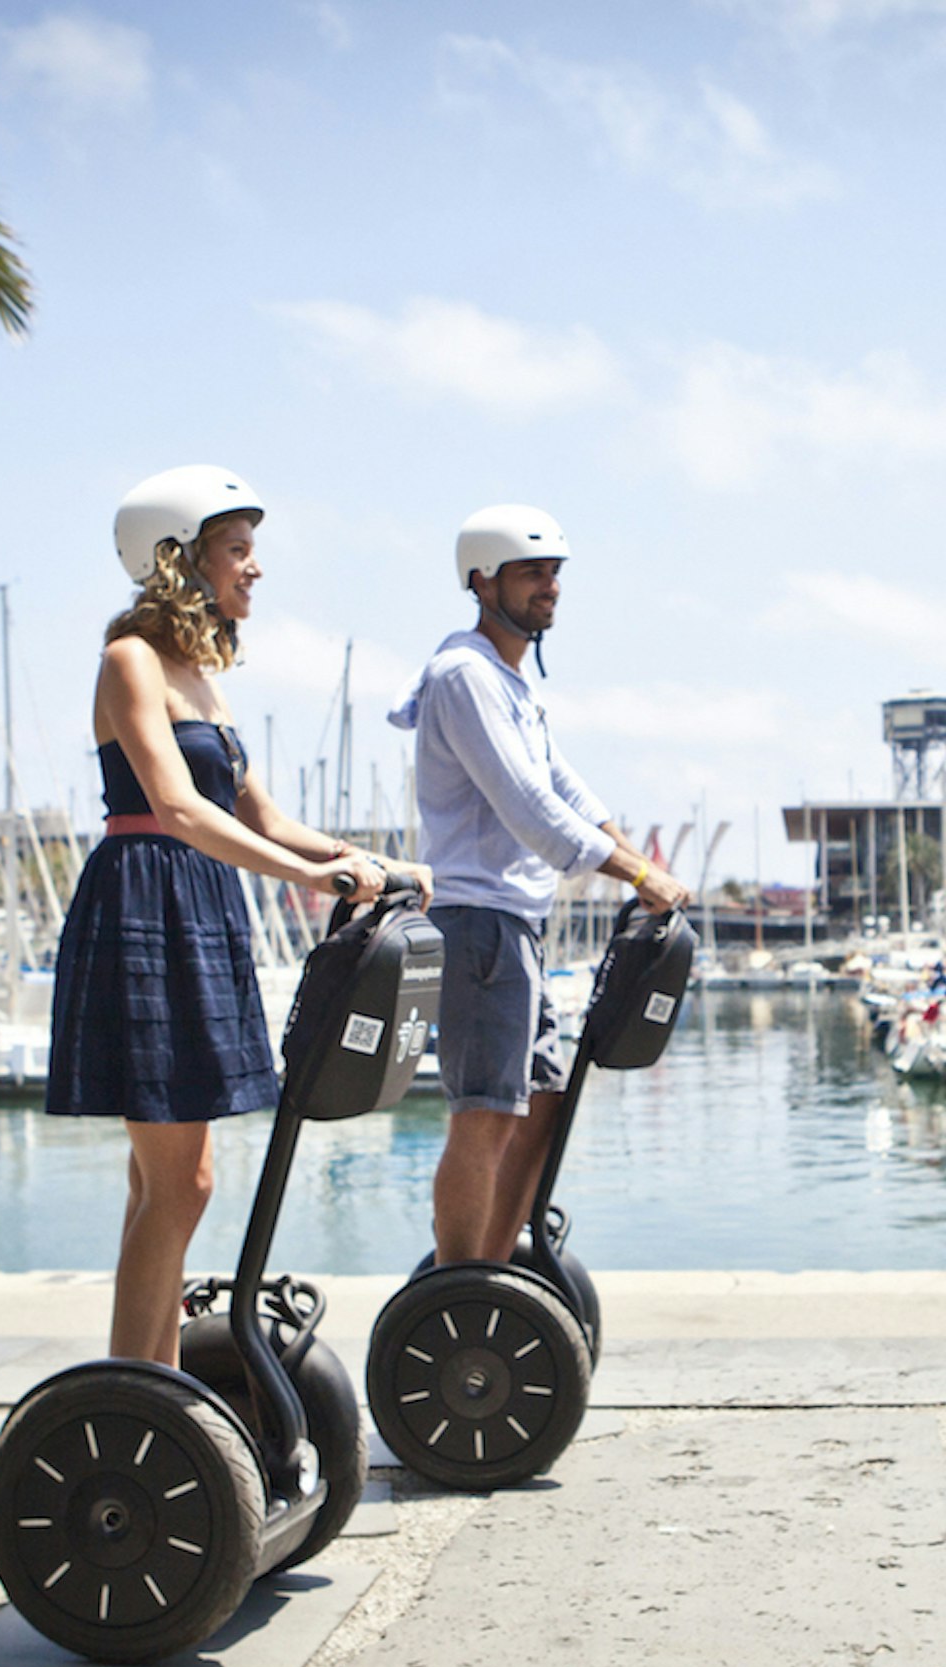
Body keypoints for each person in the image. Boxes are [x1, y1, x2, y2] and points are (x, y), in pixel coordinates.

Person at [46, 465, 431, 1369]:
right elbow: (176, 806)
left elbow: (262, 817)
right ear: (179, 560)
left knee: (170, 1183)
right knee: (181, 1185)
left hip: (202, 900)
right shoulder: (130, 660)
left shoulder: (204, 678)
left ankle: (151, 1383)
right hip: (148, 898)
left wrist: (362, 860)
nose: (254, 569)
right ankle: (141, 1388)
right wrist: (308, 878)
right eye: (238, 550)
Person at [388, 503, 690, 1268]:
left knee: (544, 1103)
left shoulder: (513, 685)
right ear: (482, 580)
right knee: (484, 1116)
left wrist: (650, 870)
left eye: (555, 572)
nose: (549, 586)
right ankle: (455, 1292)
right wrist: (641, 875)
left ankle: (491, 1271)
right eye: (532, 572)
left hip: (515, 929)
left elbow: (575, 799)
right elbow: (532, 813)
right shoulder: (464, 677)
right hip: (478, 926)